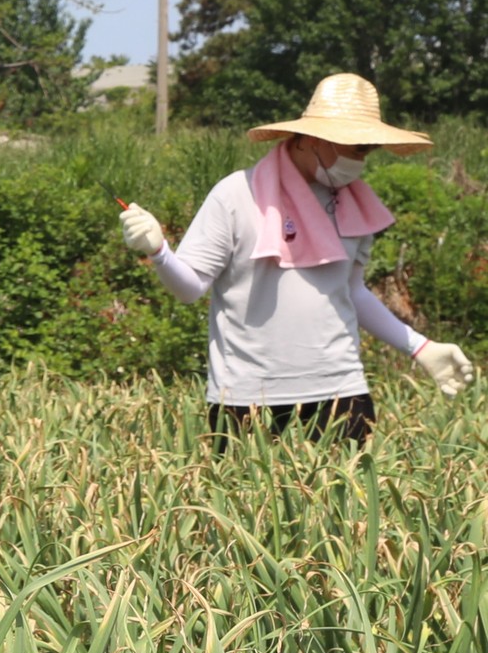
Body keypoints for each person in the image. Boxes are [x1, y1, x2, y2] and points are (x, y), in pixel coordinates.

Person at [117, 72, 473, 444]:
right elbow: (190, 288)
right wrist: (159, 252)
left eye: (366, 149)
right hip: (247, 400)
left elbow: (353, 291)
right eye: (353, 146)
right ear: (309, 138)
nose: (359, 159)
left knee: (345, 503)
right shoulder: (237, 194)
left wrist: (421, 347)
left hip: (342, 395)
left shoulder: (356, 204)